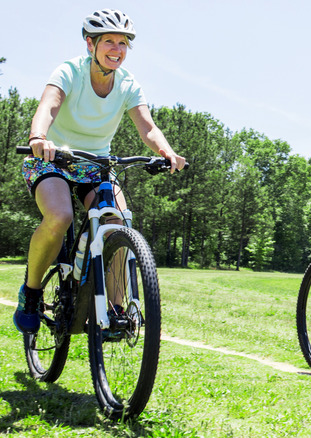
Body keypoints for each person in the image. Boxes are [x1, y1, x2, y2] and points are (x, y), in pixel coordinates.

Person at [13, 9, 186, 334]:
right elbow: (49, 105)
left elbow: (147, 127)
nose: (117, 49)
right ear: (91, 44)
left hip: (95, 167)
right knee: (60, 217)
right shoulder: (70, 71)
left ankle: (115, 309)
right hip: (53, 159)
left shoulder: (128, 84)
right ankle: (32, 292)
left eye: (122, 43)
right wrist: (39, 137)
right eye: (109, 41)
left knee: (119, 221)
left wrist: (166, 151)